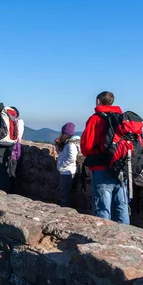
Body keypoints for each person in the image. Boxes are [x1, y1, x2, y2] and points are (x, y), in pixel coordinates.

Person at [81, 91, 130, 224]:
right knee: (122, 205)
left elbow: (86, 146)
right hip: (121, 167)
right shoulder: (122, 119)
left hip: (101, 167)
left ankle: (103, 240)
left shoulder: (95, 119)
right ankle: (127, 238)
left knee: (103, 208)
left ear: (98, 101)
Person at [54, 122, 80, 207]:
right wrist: (57, 146)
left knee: (64, 195)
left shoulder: (70, 144)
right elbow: (60, 153)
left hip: (67, 172)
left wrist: (62, 165)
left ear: (65, 134)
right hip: (67, 171)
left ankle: (65, 210)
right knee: (64, 193)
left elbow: (72, 158)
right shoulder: (67, 143)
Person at [10, 106, 24, 181]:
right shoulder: (18, 123)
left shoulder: (18, 123)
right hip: (15, 153)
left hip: (13, 153)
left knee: (11, 172)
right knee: (12, 172)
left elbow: (18, 137)